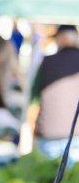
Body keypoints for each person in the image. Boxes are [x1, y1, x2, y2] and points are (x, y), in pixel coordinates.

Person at [28, 24, 79, 161]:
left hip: (50, 134)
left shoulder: (47, 62)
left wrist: (32, 128)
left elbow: (34, 99)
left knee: (50, 172)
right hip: (75, 135)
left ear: (59, 39)